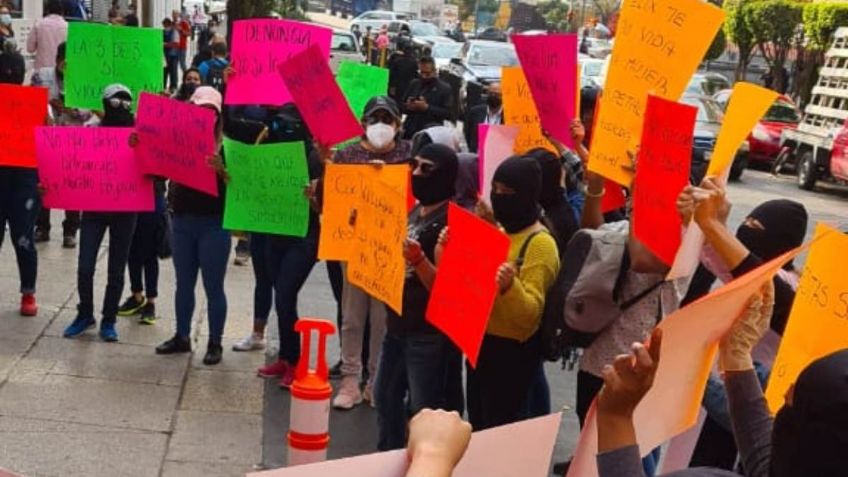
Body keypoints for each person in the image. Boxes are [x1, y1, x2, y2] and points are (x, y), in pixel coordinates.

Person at [680, 185, 808, 470]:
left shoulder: (788, 289)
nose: (747, 230)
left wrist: (713, 226)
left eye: (756, 226)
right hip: (733, 385)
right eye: (746, 223)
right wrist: (706, 224)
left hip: (757, 395)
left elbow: (748, 273)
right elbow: (722, 262)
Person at [375, 144, 464, 451]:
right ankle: (388, 458)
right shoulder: (415, 209)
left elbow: (446, 290)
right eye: (415, 165)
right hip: (397, 325)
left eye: (427, 169)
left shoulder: (453, 224)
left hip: (427, 334)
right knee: (384, 396)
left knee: (424, 410)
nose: (416, 173)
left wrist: (419, 260)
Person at [464, 155, 560, 430]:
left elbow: (530, 316)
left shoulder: (540, 244)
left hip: (512, 356)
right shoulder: (502, 230)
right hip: (482, 344)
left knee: (503, 429)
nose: (499, 197)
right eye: (495, 190)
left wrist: (510, 287)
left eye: (508, 193)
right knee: (480, 423)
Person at [330, 96, 412, 409]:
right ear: (363, 124)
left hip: (389, 250)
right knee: (352, 317)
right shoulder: (348, 154)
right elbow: (335, 199)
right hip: (352, 246)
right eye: (374, 119)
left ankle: (377, 381)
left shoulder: (407, 155)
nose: (381, 125)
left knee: (382, 319)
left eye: (387, 119)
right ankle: (350, 380)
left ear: (398, 125)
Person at [155, 86, 229, 365]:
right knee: (183, 284)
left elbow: (241, 189)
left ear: (218, 116)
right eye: (200, 110)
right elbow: (157, 166)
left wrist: (222, 170)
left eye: (211, 112)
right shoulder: (177, 140)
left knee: (214, 286)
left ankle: (215, 342)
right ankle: (181, 336)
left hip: (213, 224)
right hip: (183, 221)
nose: (205, 116)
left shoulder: (226, 146)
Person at [62, 84, 139, 343]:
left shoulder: (138, 133)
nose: (121, 107)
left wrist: (142, 147)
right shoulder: (91, 131)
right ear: (105, 104)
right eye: (115, 103)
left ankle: (109, 319)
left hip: (126, 210)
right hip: (94, 209)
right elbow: (73, 167)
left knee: (116, 270)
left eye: (126, 103)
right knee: (85, 267)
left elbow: (156, 173)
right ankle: (85, 314)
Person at [256, 104, 324, 387]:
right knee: (280, 294)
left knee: (285, 294)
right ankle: (285, 356)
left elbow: (326, 209)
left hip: (305, 236)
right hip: (277, 230)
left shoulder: (314, 158)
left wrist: (313, 198)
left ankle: (295, 362)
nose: (281, 130)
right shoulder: (270, 148)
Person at [0, 40, 42, 317]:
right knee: (23, 237)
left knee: (23, 237)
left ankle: (28, 292)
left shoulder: (35, 104)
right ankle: (28, 293)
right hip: (17, 180)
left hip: (24, 179)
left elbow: (50, 143)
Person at [31, 42, 86, 247]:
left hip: (73, 140)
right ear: (57, 60)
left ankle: (70, 230)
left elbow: (90, 111)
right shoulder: (42, 76)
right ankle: (42, 227)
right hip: (47, 140)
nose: (66, 67)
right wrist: (48, 105)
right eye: (63, 62)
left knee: (72, 186)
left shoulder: (83, 80)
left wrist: (72, 110)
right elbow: (31, 100)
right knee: (43, 183)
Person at [402, 57, 453, 139]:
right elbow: (402, 105)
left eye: (427, 73)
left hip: (431, 133)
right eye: (421, 72)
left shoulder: (444, 89)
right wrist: (408, 106)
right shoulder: (414, 83)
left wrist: (427, 108)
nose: (424, 76)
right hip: (410, 131)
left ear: (434, 71)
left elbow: (447, 113)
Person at [26, 0, 68, 70]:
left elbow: (30, 48)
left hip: (42, 69)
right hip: (60, 69)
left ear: (47, 9)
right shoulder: (67, 26)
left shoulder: (39, 24)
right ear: (61, 11)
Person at [464, 82, 502, 153]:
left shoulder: (507, 115)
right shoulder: (475, 112)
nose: (493, 96)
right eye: (490, 93)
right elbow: (468, 132)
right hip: (478, 155)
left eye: (497, 94)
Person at [162, 18, 180, 92]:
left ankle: (173, 87)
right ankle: (163, 86)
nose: (164, 26)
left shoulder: (174, 32)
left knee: (173, 72)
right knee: (164, 72)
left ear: (168, 24)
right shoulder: (162, 32)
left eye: (165, 24)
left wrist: (165, 44)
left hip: (173, 55)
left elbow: (176, 43)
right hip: (164, 55)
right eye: (163, 24)